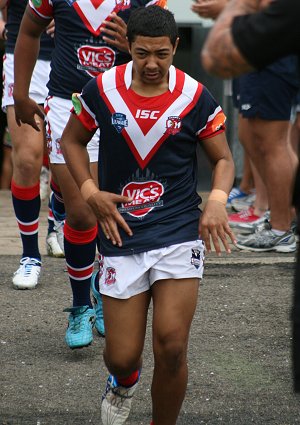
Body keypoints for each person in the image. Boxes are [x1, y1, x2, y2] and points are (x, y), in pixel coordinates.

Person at [60, 6, 236, 424]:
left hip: (177, 231)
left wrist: (215, 200)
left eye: (161, 54)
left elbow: (225, 159)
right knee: (122, 357)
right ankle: (123, 382)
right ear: (129, 48)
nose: (152, 64)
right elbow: (71, 142)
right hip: (120, 234)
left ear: (176, 47)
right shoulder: (102, 89)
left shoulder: (195, 96)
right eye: (142, 54)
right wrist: (90, 192)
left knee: (173, 347)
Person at [13, 0, 167, 349]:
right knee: (82, 213)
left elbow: (163, 48)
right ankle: (81, 305)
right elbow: (28, 30)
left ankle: (105, 289)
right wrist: (20, 93)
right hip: (68, 105)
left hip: (124, 104)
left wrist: (132, 46)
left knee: (119, 208)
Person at [200, 0, 300, 393]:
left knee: (273, 142)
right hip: (266, 56)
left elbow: (216, 54)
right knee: (256, 137)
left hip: (273, 59)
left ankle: (280, 226)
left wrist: (232, 6)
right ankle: (272, 216)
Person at [0, 0, 64, 292]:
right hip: (25, 54)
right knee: (26, 159)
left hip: (75, 53)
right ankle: (29, 255)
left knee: (68, 161)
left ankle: (58, 223)